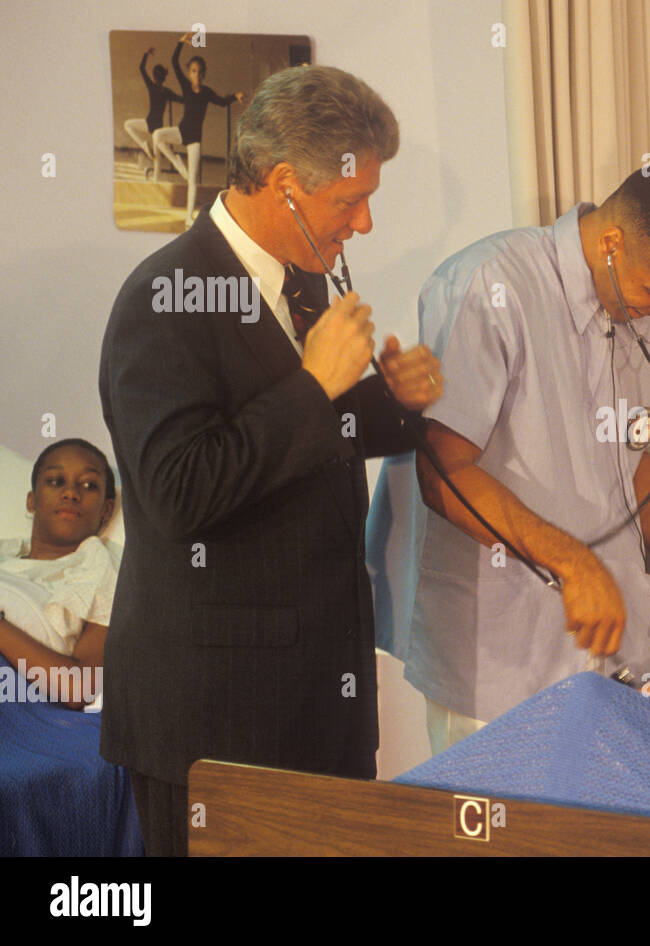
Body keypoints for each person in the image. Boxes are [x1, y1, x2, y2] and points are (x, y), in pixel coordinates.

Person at [99, 64, 440, 856]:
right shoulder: (165, 296)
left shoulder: (301, 284)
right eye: (349, 202)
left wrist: (391, 405)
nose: (363, 225)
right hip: (215, 718)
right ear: (284, 183)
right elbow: (180, 492)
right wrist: (316, 384)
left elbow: (308, 448)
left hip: (317, 701)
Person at [385, 164, 650, 753]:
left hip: (605, 663)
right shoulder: (489, 285)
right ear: (610, 243)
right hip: (499, 668)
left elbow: (629, 455)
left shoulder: (637, 307)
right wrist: (574, 564)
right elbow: (442, 472)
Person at [0, 440, 117, 710]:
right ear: (32, 500)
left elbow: (78, 688)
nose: (71, 493)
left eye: (88, 485)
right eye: (55, 481)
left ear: (107, 510)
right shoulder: (7, 557)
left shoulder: (104, 576)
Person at [152, 33, 246, 227]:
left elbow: (221, 102)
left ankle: (188, 218)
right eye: (194, 71)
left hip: (194, 139)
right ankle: (177, 162)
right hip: (180, 131)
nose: (197, 75)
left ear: (204, 74)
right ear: (190, 73)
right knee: (157, 136)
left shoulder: (207, 92)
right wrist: (180, 42)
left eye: (200, 72)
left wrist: (234, 96)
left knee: (192, 181)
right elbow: (174, 61)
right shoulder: (186, 86)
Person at [122, 48, 180, 173]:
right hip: (158, 127)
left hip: (148, 123)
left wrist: (146, 54)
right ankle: (156, 180)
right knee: (157, 159)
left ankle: (143, 144)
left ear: (154, 77)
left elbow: (142, 69)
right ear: (164, 77)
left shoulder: (152, 87)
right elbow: (182, 100)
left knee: (127, 125)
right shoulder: (167, 92)